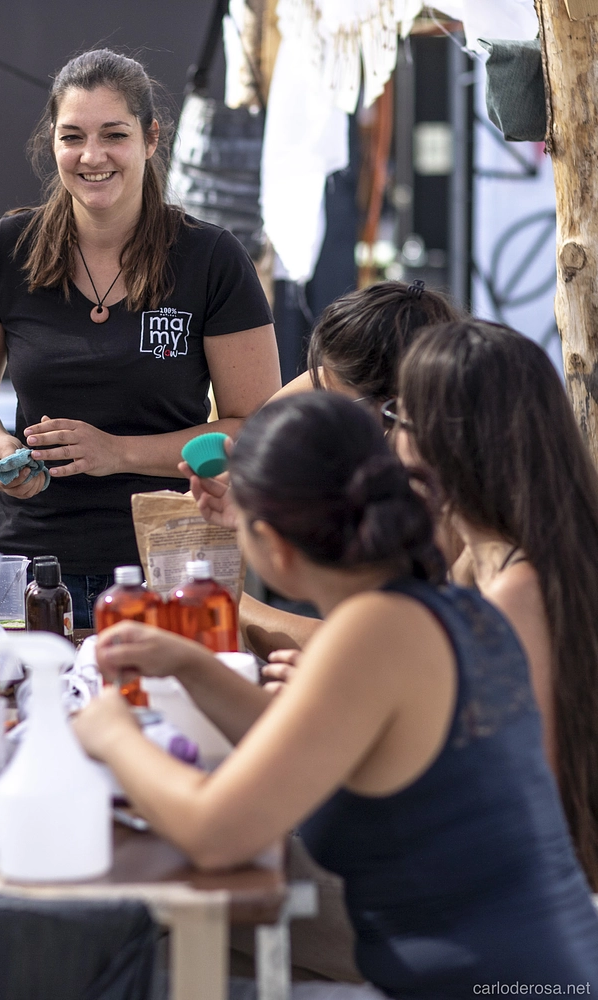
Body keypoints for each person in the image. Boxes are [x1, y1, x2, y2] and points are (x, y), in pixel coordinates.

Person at [75, 393, 598, 994]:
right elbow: (300, 739)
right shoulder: (432, 605)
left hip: (478, 982)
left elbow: (214, 835)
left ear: (272, 545)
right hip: (534, 968)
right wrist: (190, 664)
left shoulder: (370, 633)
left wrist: (111, 732)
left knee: (136, 961)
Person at [0, 49, 280, 626]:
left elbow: (255, 429)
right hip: (31, 563)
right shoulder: (3, 250)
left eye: (114, 135)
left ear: (151, 139)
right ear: (52, 142)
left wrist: (117, 452)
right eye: (72, 137)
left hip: (169, 565)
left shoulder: (211, 258)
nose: (92, 156)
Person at [394, 318, 598, 889]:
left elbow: (526, 794)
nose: (390, 439)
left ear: (446, 442)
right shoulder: (483, 560)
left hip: (526, 903)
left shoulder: (514, 592)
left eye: (399, 417)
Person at [185, 279, 461, 658]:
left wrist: (224, 602)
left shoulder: (444, 511)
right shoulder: (414, 454)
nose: (320, 418)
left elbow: (368, 650)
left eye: (332, 403)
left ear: (394, 408)